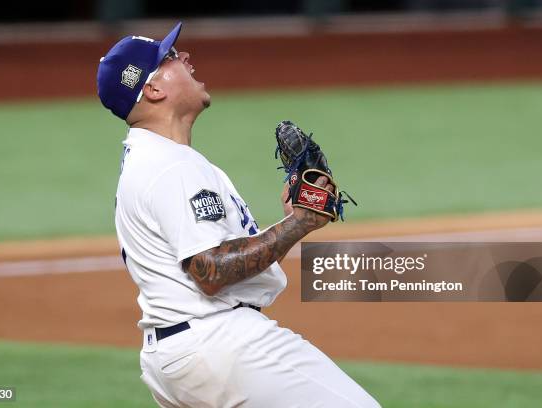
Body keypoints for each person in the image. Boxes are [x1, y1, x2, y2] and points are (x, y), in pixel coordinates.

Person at [97, 22, 380, 408]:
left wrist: (290, 224)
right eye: (172, 57)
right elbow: (211, 271)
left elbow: (219, 260)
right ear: (153, 89)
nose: (186, 58)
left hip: (177, 356)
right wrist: (302, 220)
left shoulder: (150, 160)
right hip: (219, 344)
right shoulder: (170, 166)